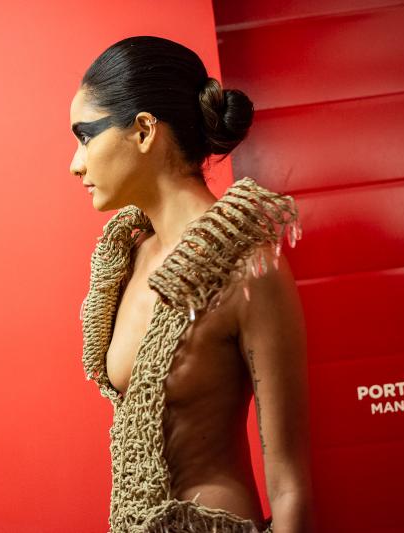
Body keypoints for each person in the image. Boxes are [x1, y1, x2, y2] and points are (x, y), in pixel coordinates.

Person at [72, 36, 313, 533]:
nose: (76, 164)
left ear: (144, 131)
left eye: (85, 136)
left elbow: (290, 484)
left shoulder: (247, 265)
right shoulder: (129, 257)